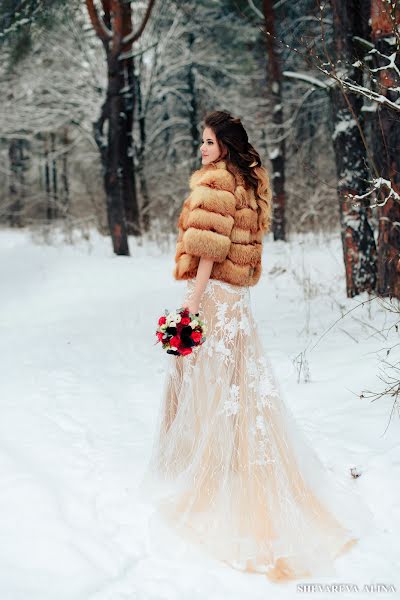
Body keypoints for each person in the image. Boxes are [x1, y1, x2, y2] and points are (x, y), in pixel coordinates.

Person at [140, 111, 367, 582]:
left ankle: (206, 472)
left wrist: (191, 304)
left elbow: (207, 250)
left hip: (217, 295)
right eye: (201, 141)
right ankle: (225, 463)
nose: (201, 148)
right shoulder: (247, 182)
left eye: (207, 141)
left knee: (207, 381)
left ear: (224, 144)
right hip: (238, 300)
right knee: (236, 385)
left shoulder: (217, 182)